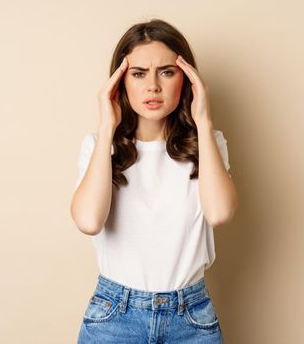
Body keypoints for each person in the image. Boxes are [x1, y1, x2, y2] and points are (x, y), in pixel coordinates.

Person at [71, 18, 238, 344]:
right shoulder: (98, 145)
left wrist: (203, 119)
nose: (152, 86)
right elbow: (89, 221)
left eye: (166, 71)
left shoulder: (208, 143)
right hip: (114, 316)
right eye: (138, 73)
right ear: (120, 82)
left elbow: (219, 213)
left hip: (191, 317)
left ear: (186, 79)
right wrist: (107, 127)